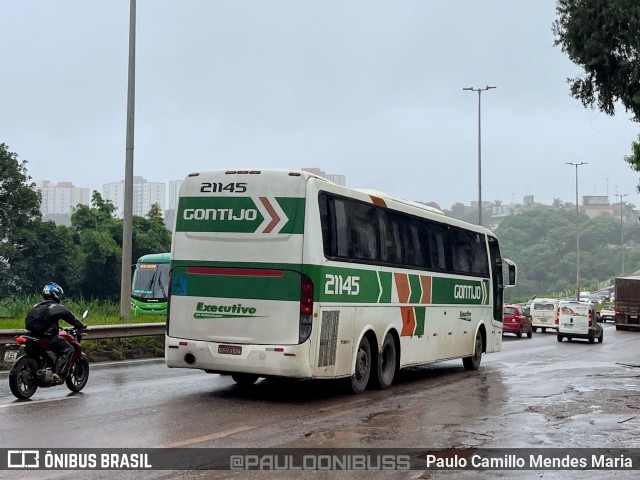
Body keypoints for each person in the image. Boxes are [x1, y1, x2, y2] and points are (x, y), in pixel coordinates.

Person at [24, 282, 86, 383]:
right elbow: (71, 318)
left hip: (31, 336)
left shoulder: (36, 306)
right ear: (56, 294)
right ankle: (57, 374)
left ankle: (39, 367)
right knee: (68, 349)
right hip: (47, 337)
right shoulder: (57, 307)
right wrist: (81, 325)